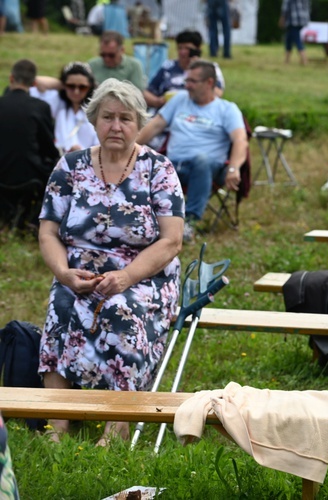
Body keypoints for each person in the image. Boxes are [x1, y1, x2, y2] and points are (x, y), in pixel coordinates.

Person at [38, 78, 184, 446]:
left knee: (119, 310)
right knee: (61, 303)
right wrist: (64, 274)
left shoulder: (159, 169)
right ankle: (57, 423)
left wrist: (125, 276)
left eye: (125, 118)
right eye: (107, 117)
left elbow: (172, 240)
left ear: (138, 123)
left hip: (143, 276)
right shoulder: (70, 166)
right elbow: (48, 232)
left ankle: (116, 426)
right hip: (79, 273)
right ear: (94, 120)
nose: (115, 126)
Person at [136, 60, 247, 242]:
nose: (186, 86)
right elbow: (155, 125)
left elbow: (240, 140)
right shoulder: (180, 100)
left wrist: (234, 168)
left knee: (201, 160)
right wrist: (130, 147)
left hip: (210, 169)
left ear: (209, 83)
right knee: (145, 163)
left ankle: (190, 222)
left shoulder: (227, 109)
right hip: (173, 167)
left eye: (192, 81)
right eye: (187, 80)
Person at [0, 59, 58, 228]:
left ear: (11, 78)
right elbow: (48, 148)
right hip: (29, 175)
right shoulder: (40, 107)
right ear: (33, 83)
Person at [143, 30, 226, 110]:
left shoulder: (211, 68)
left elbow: (218, 93)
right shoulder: (168, 66)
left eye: (187, 48)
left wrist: (198, 69)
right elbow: (148, 93)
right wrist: (158, 102)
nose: (182, 52)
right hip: (167, 110)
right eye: (180, 48)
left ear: (197, 49)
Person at [31, 61, 99, 154]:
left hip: (88, 163)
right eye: (71, 86)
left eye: (82, 87)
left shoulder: (96, 108)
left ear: (90, 87)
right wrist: (60, 84)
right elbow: (34, 83)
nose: (76, 92)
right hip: (60, 162)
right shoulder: (58, 102)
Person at [280, 0, 310, 66]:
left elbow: (285, 7)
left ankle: (304, 59)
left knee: (297, 39)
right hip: (303, 20)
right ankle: (287, 60)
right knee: (288, 38)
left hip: (293, 20)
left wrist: (282, 18)